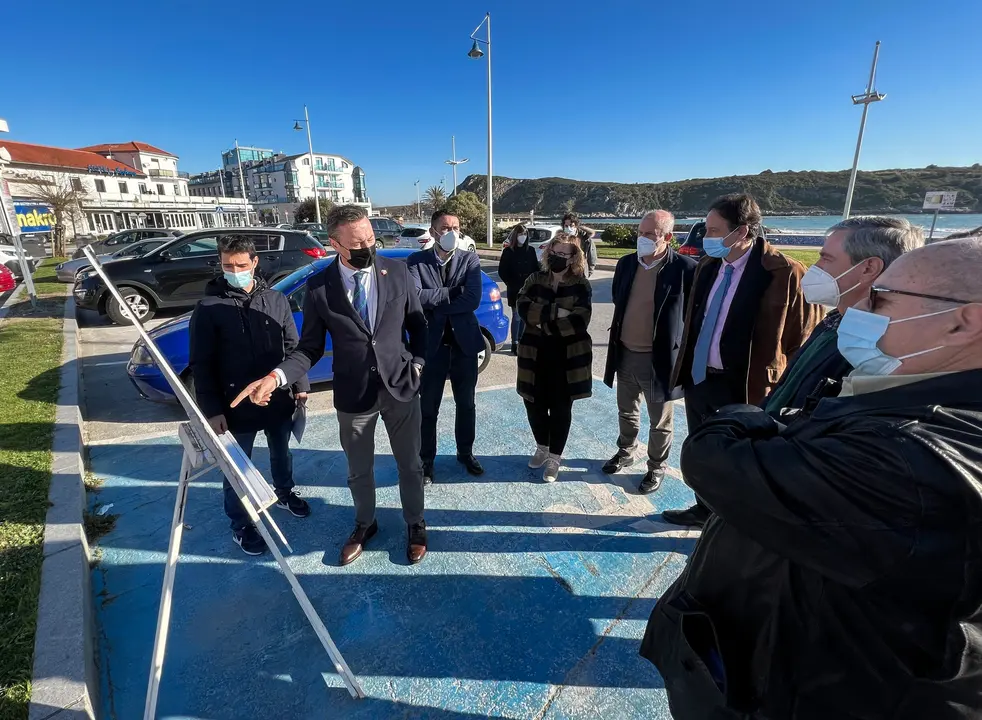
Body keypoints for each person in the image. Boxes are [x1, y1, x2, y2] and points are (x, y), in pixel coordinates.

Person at [641, 237, 982, 720]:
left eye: (882, 297)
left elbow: (713, 459)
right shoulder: (913, 402)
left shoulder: (911, 457)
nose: (861, 305)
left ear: (964, 320)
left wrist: (750, 417)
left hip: (809, 692)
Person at [231, 205, 430, 566]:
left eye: (370, 238)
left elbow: (418, 326)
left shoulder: (399, 272)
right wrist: (276, 377)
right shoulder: (319, 288)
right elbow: (307, 348)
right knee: (358, 469)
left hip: (401, 386)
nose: (368, 246)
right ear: (334, 244)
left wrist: (417, 364)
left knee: (410, 464)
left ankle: (415, 523)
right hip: (354, 394)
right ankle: (365, 524)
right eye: (358, 242)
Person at [663, 193, 821, 528]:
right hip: (701, 378)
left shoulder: (784, 272)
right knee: (704, 451)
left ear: (743, 231)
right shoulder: (709, 266)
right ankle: (704, 509)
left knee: (742, 460)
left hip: (747, 385)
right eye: (706, 229)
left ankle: (736, 524)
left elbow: (801, 338)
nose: (707, 237)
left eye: (715, 230)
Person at [189, 235, 311, 556]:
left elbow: (293, 348)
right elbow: (201, 364)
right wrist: (211, 409)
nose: (235, 270)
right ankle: (241, 523)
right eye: (228, 265)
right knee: (237, 470)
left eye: (241, 265)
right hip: (235, 407)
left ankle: (284, 491)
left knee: (281, 452)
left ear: (255, 263)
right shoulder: (208, 308)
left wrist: (300, 387)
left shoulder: (277, 300)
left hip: (277, 398)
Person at [764, 216, 923, 417]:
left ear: (868, 268)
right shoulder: (834, 321)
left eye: (826, 258)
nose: (816, 267)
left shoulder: (872, 346)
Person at [602, 210, 696, 494]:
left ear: (667, 238)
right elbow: (619, 298)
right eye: (640, 233)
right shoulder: (626, 263)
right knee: (626, 410)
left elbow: (693, 316)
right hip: (625, 353)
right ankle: (626, 450)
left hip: (660, 361)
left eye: (649, 234)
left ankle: (656, 467)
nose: (642, 239)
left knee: (660, 421)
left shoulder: (685, 268)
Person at [407, 210, 485, 484]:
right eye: (445, 227)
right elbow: (415, 298)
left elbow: (473, 299)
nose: (451, 231)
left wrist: (436, 303)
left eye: (455, 226)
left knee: (467, 404)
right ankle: (426, 461)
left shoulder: (470, 259)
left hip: (464, 345)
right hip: (431, 347)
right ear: (433, 230)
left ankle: (466, 452)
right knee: (428, 408)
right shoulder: (416, 261)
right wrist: (453, 293)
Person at [516, 232, 593, 483]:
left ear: (573, 258)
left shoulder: (581, 284)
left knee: (561, 408)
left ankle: (554, 459)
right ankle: (542, 447)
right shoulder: (534, 279)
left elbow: (580, 320)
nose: (558, 257)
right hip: (534, 354)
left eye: (564, 254)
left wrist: (544, 323)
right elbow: (523, 308)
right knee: (533, 404)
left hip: (566, 358)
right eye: (555, 252)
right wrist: (556, 312)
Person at [498, 223, 539, 354]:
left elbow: (535, 268)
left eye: (525, 234)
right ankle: (515, 342)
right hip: (515, 288)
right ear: (516, 236)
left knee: (525, 316)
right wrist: (511, 282)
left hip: (529, 289)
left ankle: (522, 340)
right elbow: (502, 271)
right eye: (521, 234)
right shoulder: (509, 251)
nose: (523, 237)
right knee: (516, 316)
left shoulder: (531, 251)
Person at [561, 212, 598, 276]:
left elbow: (592, 257)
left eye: (571, 225)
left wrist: (589, 272)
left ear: (575, 226)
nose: (569, 228)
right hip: (564, 273)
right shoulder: (560, 239)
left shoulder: (584, 239)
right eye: (566, 226)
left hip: (580, 272)